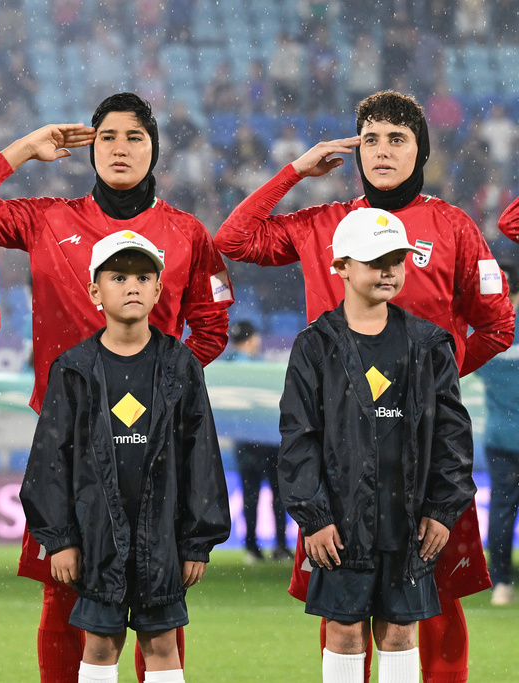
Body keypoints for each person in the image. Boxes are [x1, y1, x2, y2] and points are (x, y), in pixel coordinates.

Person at [215, 90, 511, 683]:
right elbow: (234, 241)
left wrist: (433, 389)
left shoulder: (453, 226)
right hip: (339, 452)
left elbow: (498, 324)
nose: (382, 150)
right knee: (341, 611)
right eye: (370, 138)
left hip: (422, 451)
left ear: (420, 150)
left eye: (397, 139)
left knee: (439, 605)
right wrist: (294, 171)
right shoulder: (324, 223)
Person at [0, 92, 233, 683]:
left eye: (134, 138)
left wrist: (163, 385)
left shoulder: (185, 232)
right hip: (68, 440)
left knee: (161, 606)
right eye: (107, 137)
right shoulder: (49, 218)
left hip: (155, 446)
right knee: (64, 596)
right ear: (89, 147)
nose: (120, 149)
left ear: (154, 149)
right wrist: (24, 149)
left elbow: (213, 324)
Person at [20, 231, 230, 683]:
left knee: (161, 644)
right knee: (98, 644)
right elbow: (49, 461)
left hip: (165, 538)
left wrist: (197, 541)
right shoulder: (72, 367)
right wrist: (59, 539)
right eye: (118, 276)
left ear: (158, 289)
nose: (131, 286)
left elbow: (201, 456)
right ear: (95, 291)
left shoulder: (180, 365)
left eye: (143, 276)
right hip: (96, 537)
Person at [278, 208, 476, 683]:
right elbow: (298, 436)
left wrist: (442, 510)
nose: (388, 270)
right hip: (340, 521)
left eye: (396, 259)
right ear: (341, 266)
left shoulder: (430, 343)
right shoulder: (315, 345)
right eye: (374, 260)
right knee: (344, 633)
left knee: (402, 633)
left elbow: (453, 435)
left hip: (410, 518)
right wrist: (315, 516)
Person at [226, 320, 291, 564]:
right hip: (268, 440)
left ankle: (252, 547)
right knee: (278, 494)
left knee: (250, 494)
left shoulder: (227, 367)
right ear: (252, 339)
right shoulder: (260, 367)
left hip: (243, 441)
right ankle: (281, 546)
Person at [474, 260, 519, 606]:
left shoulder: (491, 331)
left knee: (502, 508)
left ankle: (501, 582)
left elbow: (471, 365)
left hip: (501, 436)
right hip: (504, 434)